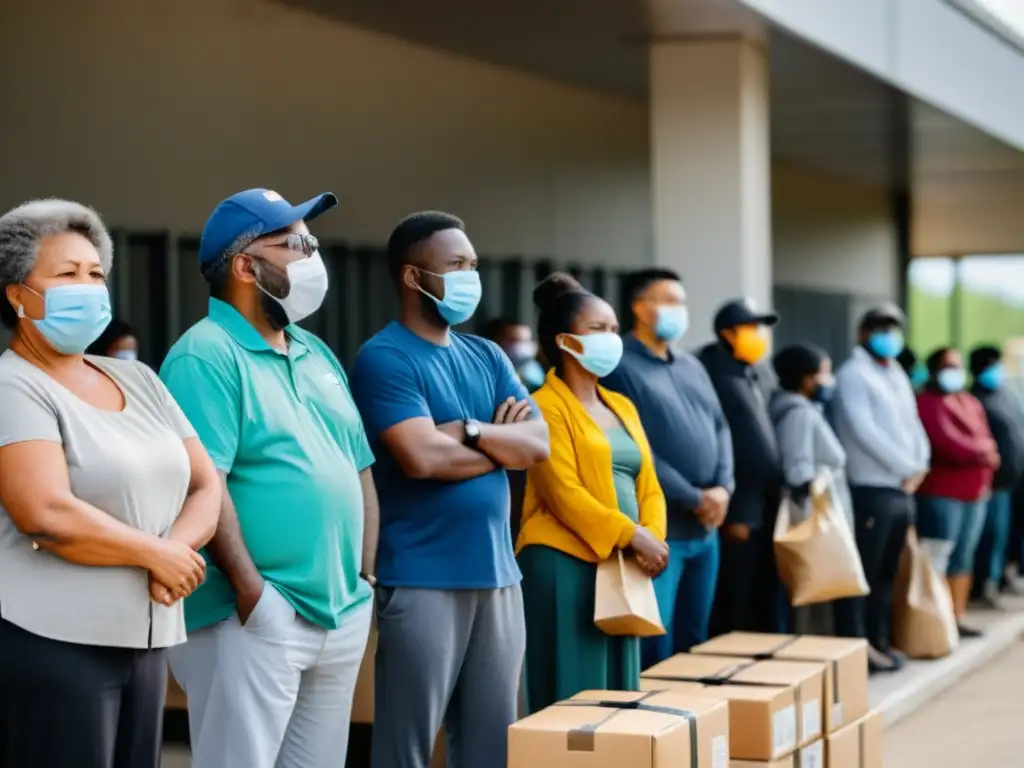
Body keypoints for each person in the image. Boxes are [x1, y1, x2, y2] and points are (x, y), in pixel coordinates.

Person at [160, 188, 377, 768]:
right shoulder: (204, 355)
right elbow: (206, 483)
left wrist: (363, 578)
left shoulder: (314, 350)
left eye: (312, 241)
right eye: (295, 243)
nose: (312, 254)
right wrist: (254, 593)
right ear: (244, 266)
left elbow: (357, 465)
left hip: (340, 607)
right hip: (253, 616)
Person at [0, 199, 220, 768]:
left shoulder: (139, 377)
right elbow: (44, 512)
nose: (89, 285)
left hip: (146, 636)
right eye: (67, 274)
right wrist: (159, 557)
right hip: (52, 642)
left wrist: (176, 554)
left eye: (95, 273)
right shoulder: (13, 385)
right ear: (17, 294)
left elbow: (205, 485)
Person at [350, 211, 549, 768]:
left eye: (473, 265)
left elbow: (536, 446)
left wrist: (471, 430)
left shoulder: (487, 354)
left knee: (492, 744)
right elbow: (419, 457)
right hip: (422, 576)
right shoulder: (384, 357)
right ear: (414, 278)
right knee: (407, 744)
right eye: (457, 265)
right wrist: (496, 444)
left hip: (499, 574)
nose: (470, 276)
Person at [517, 273, 668, 712]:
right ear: (566, 342)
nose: (611, 339)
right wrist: (632, 535)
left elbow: (650, 485)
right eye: (597, 330)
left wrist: (651, 537)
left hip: (623, 563)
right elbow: (563, 492)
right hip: (565, 564)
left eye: (615, 330)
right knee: (574, 694)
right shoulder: (542, 405)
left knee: (619, 695)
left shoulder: (621, 405)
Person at [601, 268, 730, 664]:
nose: (679, 310)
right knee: (657, 642)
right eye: (668, 301)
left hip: (707, 526)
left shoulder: (691, 365)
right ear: (640, 308)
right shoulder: (619, 365)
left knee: (695, 639)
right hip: (663, 528)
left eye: (681, 302)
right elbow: (633, 446)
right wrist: (692, 496)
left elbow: (720, 426)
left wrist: (724, 487)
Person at [832, 304, 930, 672]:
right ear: (863, 333)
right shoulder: (853, 375)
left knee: (888, 574)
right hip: (872, 486)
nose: (888, 336)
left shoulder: (896, 373)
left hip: (902, 487)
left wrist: (921, 464)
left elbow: (913, 422)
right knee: (864, 574)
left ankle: (880, 640)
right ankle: (858, 649)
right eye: (880, 328)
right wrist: (906, 466)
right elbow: (864, 431)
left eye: (894, 328)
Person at [769, 344, 871, 641]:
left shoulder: (806, 408)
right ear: (806, 378)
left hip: (822, 520)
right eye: (824, 374)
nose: (829, 381)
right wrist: (824, 478)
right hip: (814, 527)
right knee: (812, 604)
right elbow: (798, 471)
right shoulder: (798, 412)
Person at [697, 298, 784, 635]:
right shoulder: (708, 371)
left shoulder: (757, 372)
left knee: (764, 592)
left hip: (767, 504)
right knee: (735, 596)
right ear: (728, 333)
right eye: (750, 328)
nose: (758, 336)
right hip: (737, 505)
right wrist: (737, 508)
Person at [916, 347, 998, 638]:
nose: (955, 372)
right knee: (938, 556)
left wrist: (984, 451)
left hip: (974, 493)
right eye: (950, 366)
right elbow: (947, 444)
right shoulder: (927, 403)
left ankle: (956, 616)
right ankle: (934, 620)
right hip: (942, 493)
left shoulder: (968, 400)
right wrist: (984, 452)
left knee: (963, 558)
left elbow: (985, 436)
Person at [969, 346, 1024, 607]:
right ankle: (983, 587)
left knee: (1004, 535)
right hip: (992, 482)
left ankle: (1000, 577)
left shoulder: (1004, 394)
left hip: (1013, 480)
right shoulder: (976, 399)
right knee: (989, 536)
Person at [486, 317, 546, 392]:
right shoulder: (487, 372)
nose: (522, 346)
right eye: (514, 340)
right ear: (497, 341)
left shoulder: (533, 371)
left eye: (526, 341)